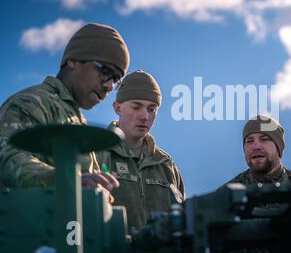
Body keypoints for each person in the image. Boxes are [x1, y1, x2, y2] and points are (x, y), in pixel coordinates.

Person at [0, 23, 129, 196]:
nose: (108, 86)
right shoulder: (31, 103)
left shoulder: (77, 121)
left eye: (115, 80)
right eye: (104, 71)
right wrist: (65, 181)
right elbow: (7, 157)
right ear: (73, 61)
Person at [96, 70, 185, 231]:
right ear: (117, 108)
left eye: (152, 109)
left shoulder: (165, 164)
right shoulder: (97, 153)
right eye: (136, 107)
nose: (145, 116)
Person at [224, 115, 291, 186]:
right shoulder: (226, 194)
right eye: (249, 141)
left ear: (278, 147)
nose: (256, 146)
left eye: (264, 139)